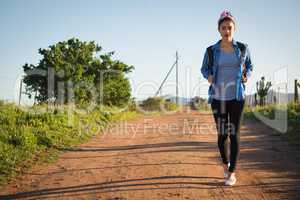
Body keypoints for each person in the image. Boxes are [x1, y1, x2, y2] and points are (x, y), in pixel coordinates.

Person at [200, 10, 253, 186]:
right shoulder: (211, 51)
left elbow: (250, 65)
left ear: (234, 28)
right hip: (218, 97)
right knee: (223, 134)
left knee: (234, 133)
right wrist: (208, 76)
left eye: (229, 27)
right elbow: (204, 68)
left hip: (237, 96)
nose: (226, 31)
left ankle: (232, 173)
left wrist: (247, 74)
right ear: (219, 29)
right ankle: (225, 164)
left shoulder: (243, 48)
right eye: (223, 28)